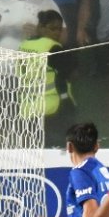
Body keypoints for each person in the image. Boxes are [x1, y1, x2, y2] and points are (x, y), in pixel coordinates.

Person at [18, 10, 74, 145]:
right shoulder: (52, 47)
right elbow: (63, 76)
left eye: (60, 29)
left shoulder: (24, 45)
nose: (57, 33)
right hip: (51, 111)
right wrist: (67, 102)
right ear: (40, 27)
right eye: (52, 28)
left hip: (27, 110)